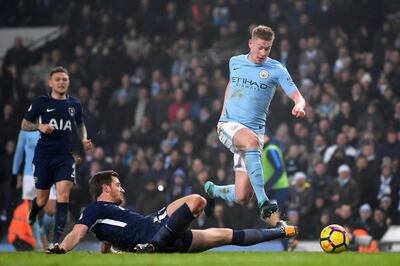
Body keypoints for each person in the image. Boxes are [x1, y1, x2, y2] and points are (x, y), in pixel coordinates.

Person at [45, 170, 297, 254]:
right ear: (104, 188)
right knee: (197, 200)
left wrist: (108, 250)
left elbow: (107, 238)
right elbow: (77, 233)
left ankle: (281, 231)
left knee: (224, 235)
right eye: (117, 184)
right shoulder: (95, 208)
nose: (122, 188)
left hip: (160, 232)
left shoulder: (107, 213)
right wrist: (62, 248)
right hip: (152, 231)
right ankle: (155, 243)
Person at [204, 25, 306, 222]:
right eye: (259, 47)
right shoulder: (235, 62)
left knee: (242, 196)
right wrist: (222, 115)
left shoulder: (277, 70)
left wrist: (299, 105)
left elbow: (298, 97)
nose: (263, 52)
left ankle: (212, 190)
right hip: (229, 125)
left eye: (267, 48)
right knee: (250, 142)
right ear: (250, 43)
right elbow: (231, 85)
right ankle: (264, 202)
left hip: (254, 133)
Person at [21, 66, 93, 245]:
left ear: (68, 83)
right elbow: (24, 124)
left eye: (64, 80)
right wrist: (40, 126)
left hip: (64, 157)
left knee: (63, 195)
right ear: (50, 83)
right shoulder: (41, 102)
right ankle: (33, 213)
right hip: (44, 156)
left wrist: (84, 139)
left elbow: (80, 124)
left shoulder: (74, 104)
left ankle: (55, 242)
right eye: (58, 79)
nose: (61, 82)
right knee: (42, 199)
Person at [12, 129, 56, 248]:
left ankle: (42, 231)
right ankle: (37, 242)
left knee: (51, 210)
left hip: (47, 172)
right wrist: (15, 173)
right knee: (32, 210)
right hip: (29, 174)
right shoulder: (25, 131)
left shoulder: (51, 126)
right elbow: (19, 152)